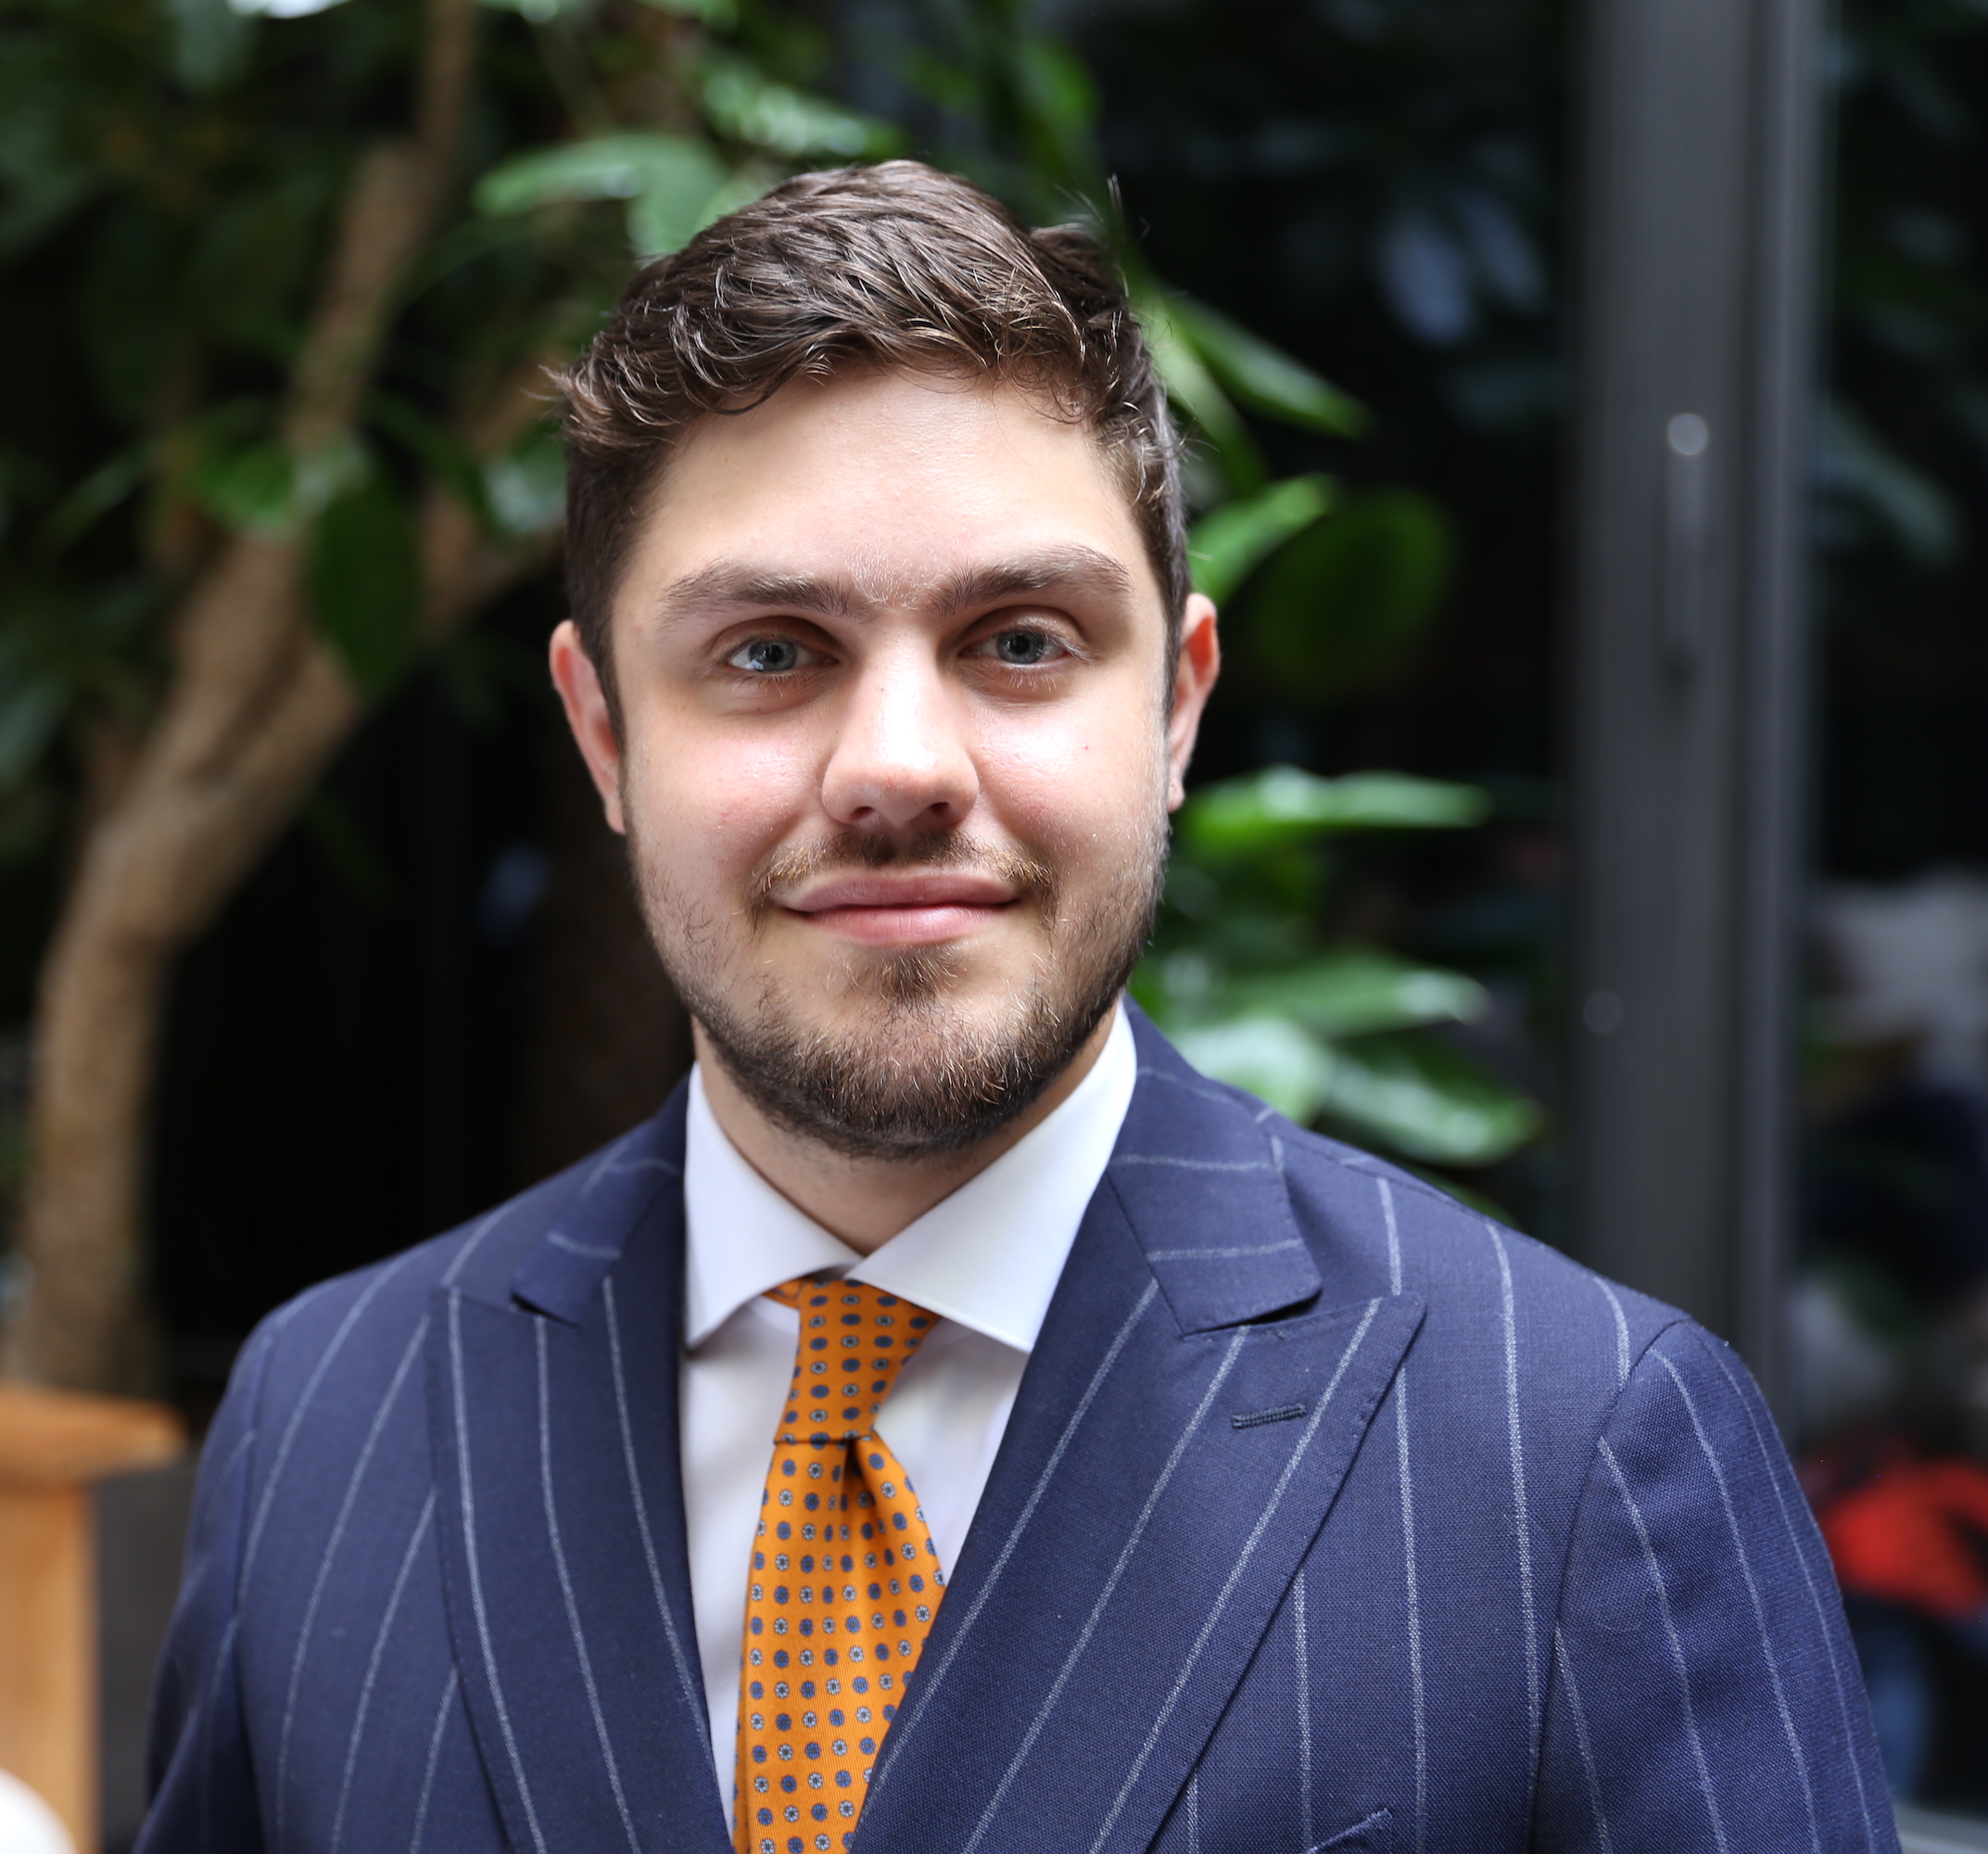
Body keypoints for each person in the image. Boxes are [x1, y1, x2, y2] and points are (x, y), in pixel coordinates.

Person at [137, 161, 1893, 1854]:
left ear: (1176, 710)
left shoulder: (1572, 1449)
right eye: (769, 651)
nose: (898, 767)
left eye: (1020, 640)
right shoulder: (326, 1421)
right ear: (604, 733)